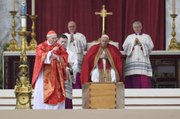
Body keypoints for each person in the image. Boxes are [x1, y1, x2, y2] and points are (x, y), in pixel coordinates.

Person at [32, 30, 68, 109]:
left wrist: (57, 57)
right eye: (53, 38)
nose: (55, 40)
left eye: (56, 38)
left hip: (57, 76)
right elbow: (39, 56)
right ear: (47, 38)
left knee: (57, 93)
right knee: (42, 94)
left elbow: (65, 57)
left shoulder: (59, 46)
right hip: (44, 76)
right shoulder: (41, 46)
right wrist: (50, 53)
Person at [123, 21, 154, 88]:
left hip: (143, 59)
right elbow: (125, 47)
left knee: (143, 76)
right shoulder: (129, 37)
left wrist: (141, 44)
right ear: (133, 28)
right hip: (132, 59)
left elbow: (150, 47)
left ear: (141, 27)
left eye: (138, 27)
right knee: (132, 75)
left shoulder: (146, 37)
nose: (136, 28)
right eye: (135, 27)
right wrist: (133, 45)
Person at [57, 34, 78, 109]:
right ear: (58, 42)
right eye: (61, 42)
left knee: (67, 99)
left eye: (65, 42)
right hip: (57, 80)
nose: (63, 44)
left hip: (66, 79)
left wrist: (70, 69)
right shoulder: (54, 53)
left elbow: (75, 67)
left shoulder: (71, 54)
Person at [64, 21, 87, 89]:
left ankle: (76, 88)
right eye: (70, 26)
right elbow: (61, 45)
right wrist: (68, 41)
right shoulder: (64, 35)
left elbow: (84, 46)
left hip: (77, 57)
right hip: (67, 56)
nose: (71, 28)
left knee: (76, 71)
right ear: (68, 27)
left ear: (75, 27)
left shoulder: (80, 36)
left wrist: (75, 41)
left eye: (73, 26)